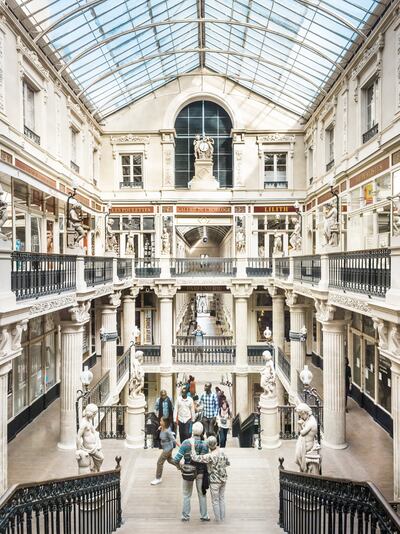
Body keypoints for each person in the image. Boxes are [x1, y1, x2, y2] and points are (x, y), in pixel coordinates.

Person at [173, 421, 210, 522]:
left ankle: (185, 516)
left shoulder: (186, 443)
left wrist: (180, 467)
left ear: (192, 430)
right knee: (202, 494)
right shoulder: (205, 444)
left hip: (188, 472)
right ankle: (204, 515)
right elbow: (207, 460)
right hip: (201, 473)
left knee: (186, 495)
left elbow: (176, 459)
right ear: (202, 431)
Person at [190, 435, 230, 522]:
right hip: (223, 479)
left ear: (208, 446)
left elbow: (194, 457)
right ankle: (222, 518)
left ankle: (218, 519)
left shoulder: (209, 456)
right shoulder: (222, 451)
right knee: (222, 498)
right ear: (216, 443)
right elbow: (228, 463)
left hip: (214, 481)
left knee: (215, 500)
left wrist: (192, 446)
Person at [150, 417, 177, 486]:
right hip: (166, 448)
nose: (160, 422)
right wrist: (160, 428)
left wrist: (181, 446)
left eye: (161, 421)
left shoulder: (168, 431)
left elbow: (173, 439)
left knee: (159, 462)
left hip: (167, 449)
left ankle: (158, 478)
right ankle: (182, 467)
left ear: (165, 423)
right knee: (170, 460)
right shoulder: (162, 427)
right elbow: (161, 430)